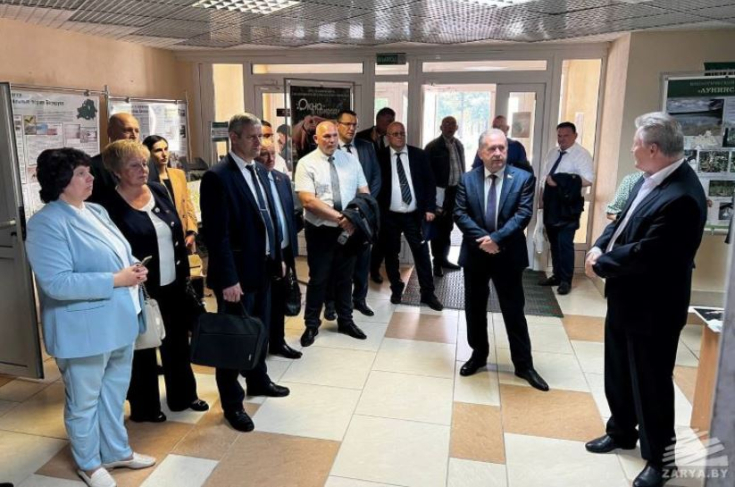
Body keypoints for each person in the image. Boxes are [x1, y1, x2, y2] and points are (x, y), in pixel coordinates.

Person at [584, 112, 707, 487]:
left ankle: (660, 460)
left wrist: (600, 264)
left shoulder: (682, 196)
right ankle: (622, 431)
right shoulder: (648, 178)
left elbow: (648, 253)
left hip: (654, 309)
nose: (632, 149)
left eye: (636, 144)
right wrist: (598, 246)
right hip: (625, 298)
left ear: (653, 149)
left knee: (651, 384)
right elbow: (622, 224)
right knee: (619, 371)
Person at [25, 148, 155, 487]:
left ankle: (116, 451)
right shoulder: (45, 223)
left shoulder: (96, 210)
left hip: (119, 321)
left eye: (89, 171)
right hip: (82, 330)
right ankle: (88, 463)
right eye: (82, 173)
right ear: (60, 181)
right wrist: (116, 279)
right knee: (83, 402)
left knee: (113, 394)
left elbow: (118, 254)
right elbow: (56, 283)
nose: (91, 178)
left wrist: (133, 268)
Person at [102, 140, 208, 423]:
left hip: (173, 283)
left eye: (143, 163)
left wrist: (186, 276)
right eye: (134, 165)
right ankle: (145, 407)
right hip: (139, 289)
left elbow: (175, 235)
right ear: (117, 171)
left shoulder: (158, 190)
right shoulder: (108, 206)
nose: (143, 169)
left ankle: (183, 395)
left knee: (177, 342)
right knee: (143, 348)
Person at [200, 113, 290, 433]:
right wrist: (228, 279)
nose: (259, 143)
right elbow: (217, 235)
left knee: (260, 329)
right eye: (252, 137)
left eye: (260, 137)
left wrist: (277, 256)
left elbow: (269, 219)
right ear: (234, 138)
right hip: (236, 274)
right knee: (234, 339)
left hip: (263, 266)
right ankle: (232, 403)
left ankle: (258, 379)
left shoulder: (260, 171)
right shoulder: (218, 177)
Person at [453, 130, 549, 391]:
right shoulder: (467, 179)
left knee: (514, 310)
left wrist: (496, 239)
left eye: (502, 148)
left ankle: (523, 364)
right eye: (491, 149)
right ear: (480, 152)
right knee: (474, 309)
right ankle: (478, 355)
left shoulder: (523, 179)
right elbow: (460, 214)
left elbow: (523, 215)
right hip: (476, 255)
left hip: (508, 255)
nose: (497, 153)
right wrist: (484, 241)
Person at [295, 120, 370, 347]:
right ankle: (311, 325)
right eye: (326, 136)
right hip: (320, 231)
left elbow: (364, 193)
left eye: (334, 136)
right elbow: (308, 201)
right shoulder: (306, 163)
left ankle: (346, 321)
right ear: (316, 139)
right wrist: (341, 218)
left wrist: (354, 218)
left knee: (345, 278)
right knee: (319, 279)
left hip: (349, 230)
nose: (331, 140)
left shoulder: (351, 161)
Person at [377, 121, 443, 311]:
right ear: (388, 137)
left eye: (402, 133)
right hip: (389, 215)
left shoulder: (418, 155)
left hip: (414, 215)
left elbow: (430, 182)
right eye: (395, 134)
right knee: (391, 254)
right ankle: (396, 288)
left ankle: (428, 293)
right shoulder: (380, 157)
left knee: (422, 253)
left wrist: (430, 208)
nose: (399, 137)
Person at [330, 108, 381, 317]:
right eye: (347, 124)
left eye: (354, 125)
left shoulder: (367, 147)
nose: (351, 128)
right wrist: (347, 212)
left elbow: (376, 177)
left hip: (363, 216)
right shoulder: (330, 147)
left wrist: (364, 206)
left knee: (363, 260)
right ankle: (332, 304)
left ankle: (359, 299)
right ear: (337, 125)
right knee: (337, 262)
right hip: (340, 216)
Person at [255, 144, 303, 360]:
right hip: (265, 252)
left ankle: (278, 341)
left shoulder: (281, 179)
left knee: (280, 298)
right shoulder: (254, 180)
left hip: (284, 248)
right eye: (264, 154)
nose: (270, 158)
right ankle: (258, 347)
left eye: (273, 153)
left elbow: (292, 213)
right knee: (262, 302)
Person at [538, 122, 594, 295]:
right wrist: (541, 199)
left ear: (575, 136)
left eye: (566, 136)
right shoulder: (552, 153)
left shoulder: (581, 154)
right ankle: (556, 275)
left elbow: (588, 180)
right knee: (554, 242)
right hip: (551, 204)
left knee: (565, 243)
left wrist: (561, 180)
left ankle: (565, 280)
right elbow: (544, 178)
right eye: (559, 136)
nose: (561, 139)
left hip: (568, 206)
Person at [425, 116, 465, 277]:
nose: (449, 127)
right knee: (438, 228)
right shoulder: (432, 147)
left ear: (456, 127)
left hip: (455, 192)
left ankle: (444, 259)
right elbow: (426, 174)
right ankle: (436, 263)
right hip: (440, 192)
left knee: (448, 227)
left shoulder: (459, 145)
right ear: (441, 127)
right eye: (446, 124)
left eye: (452, 124)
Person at [143, 135, 198, 252]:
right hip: (162, 239)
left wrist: (192, 231)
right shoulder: (146, 180)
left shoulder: (178, 174)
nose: (164, 154)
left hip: (184, 236)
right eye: (158, 150)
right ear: (148, 154)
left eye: (166, 149)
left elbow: (187, 204)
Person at [89, 113, 140, 204]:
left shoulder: (149, 163)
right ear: (110, 132)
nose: (134, 136)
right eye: (127, 130)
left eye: (137, 131)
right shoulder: (93, 166)